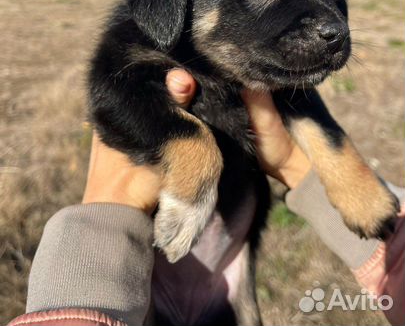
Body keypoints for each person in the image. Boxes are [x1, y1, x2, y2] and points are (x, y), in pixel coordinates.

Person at [8, 69, 404, 326]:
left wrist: (104, 213)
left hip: (227, 286)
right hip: (146, 288)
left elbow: (305, 111)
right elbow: (117, 79)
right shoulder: (142, 47)